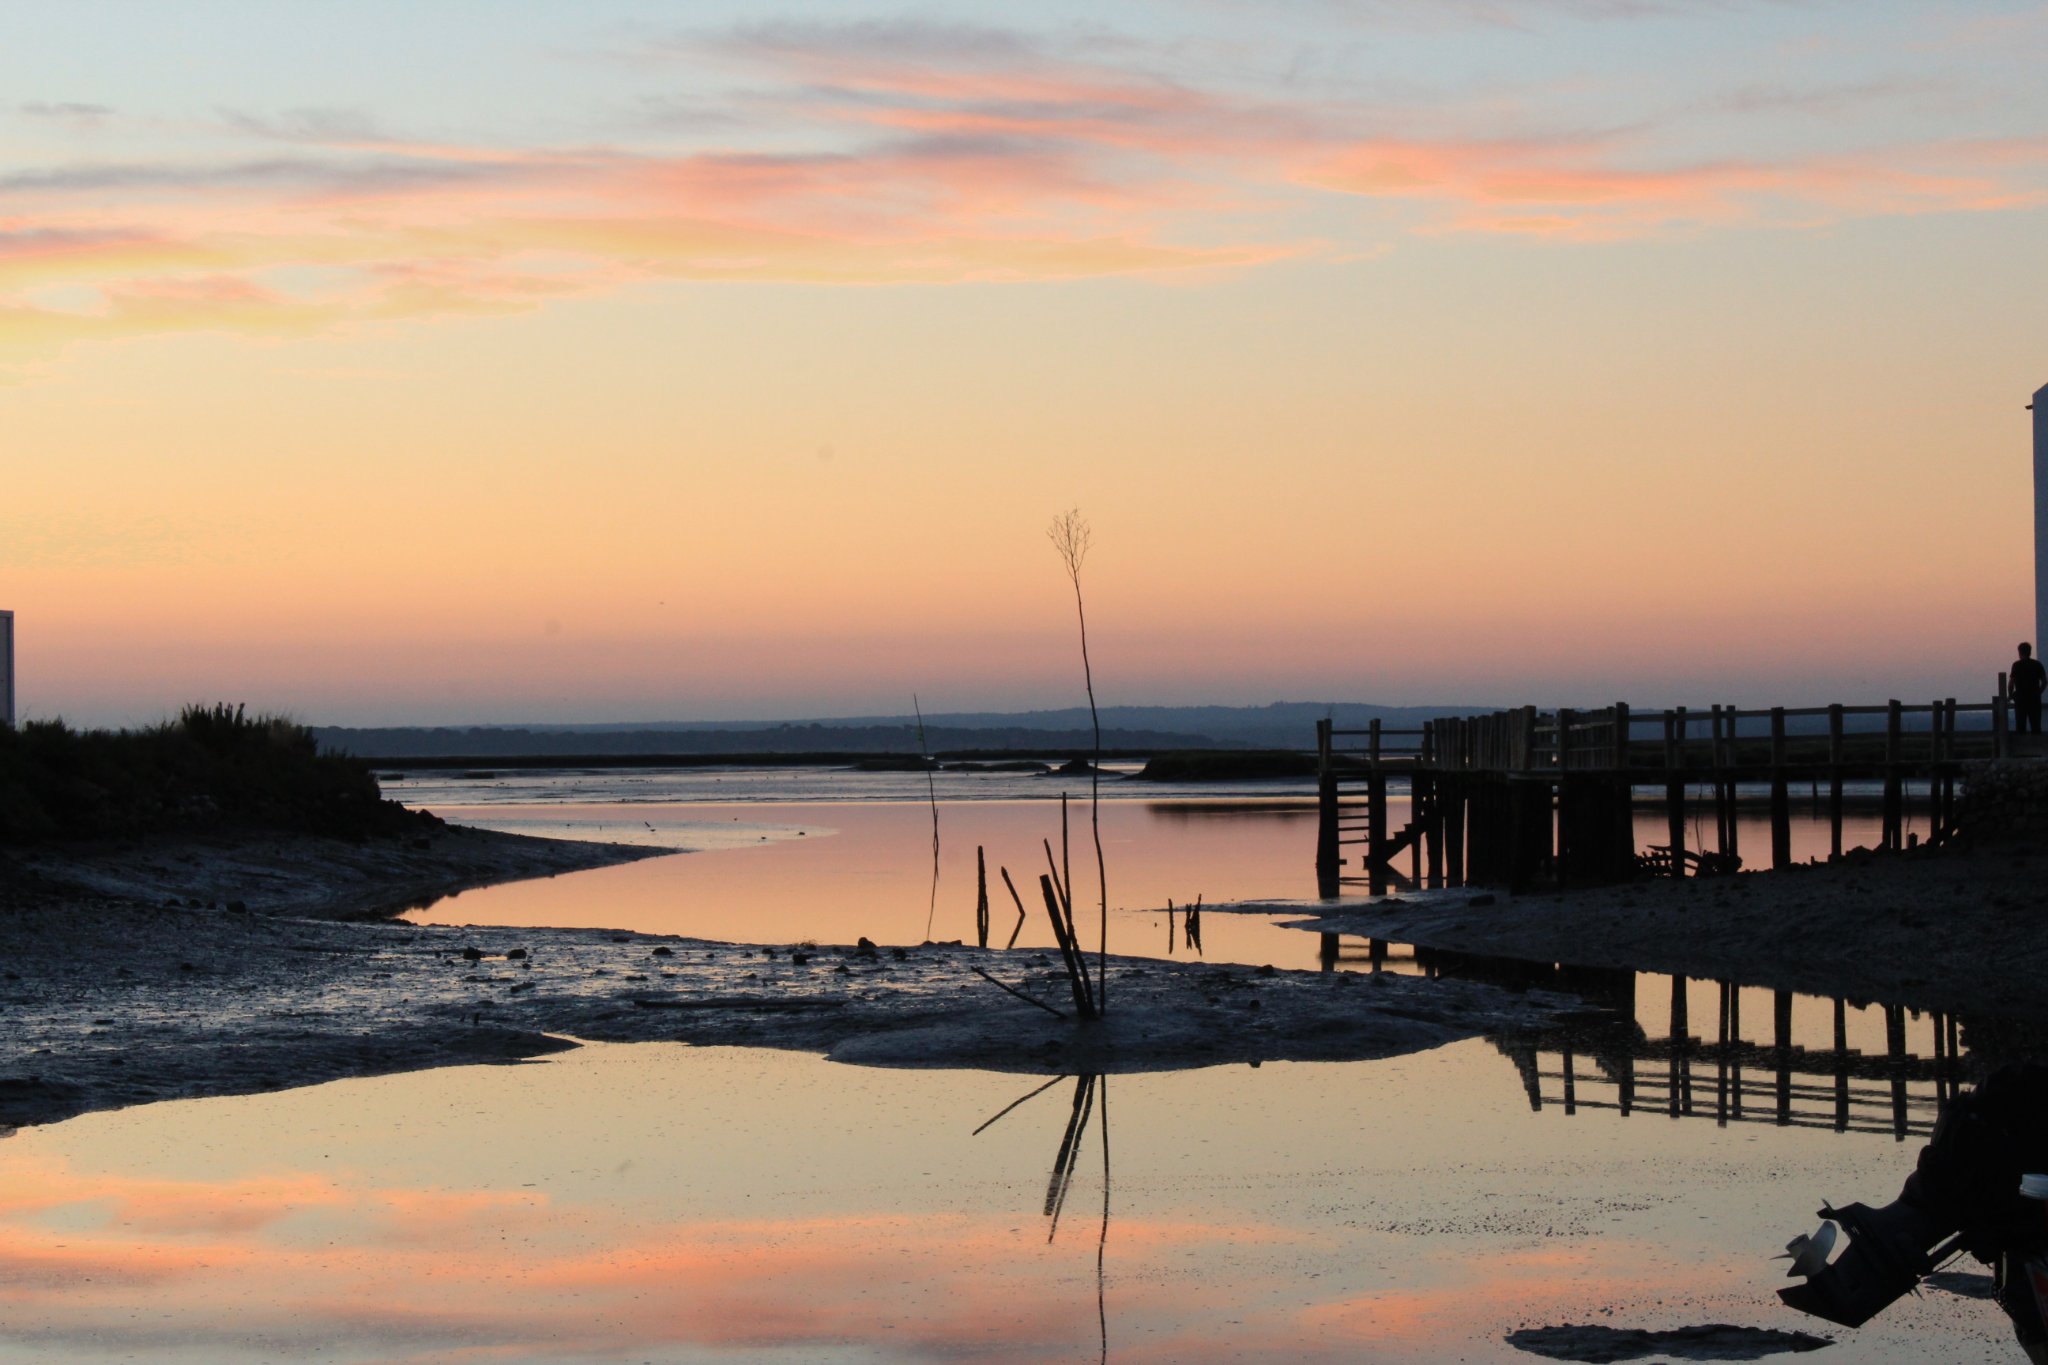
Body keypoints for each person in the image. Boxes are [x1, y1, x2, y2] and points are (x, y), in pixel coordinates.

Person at [2013, 644, 2046, 735]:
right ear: (2030, 652)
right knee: (2036, 726)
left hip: (2020, 699)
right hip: (2034, 699)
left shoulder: (2016, 665)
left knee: (2020, 726)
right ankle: (2037, 743)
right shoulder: (2037, 664)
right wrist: (2039, 692)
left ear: (2020, 652)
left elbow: (2011, 683)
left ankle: (2021, 743)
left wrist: (2011, 695)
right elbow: (2044, 681)